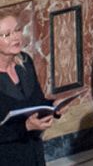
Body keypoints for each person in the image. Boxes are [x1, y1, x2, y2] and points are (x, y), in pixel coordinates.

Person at [0, 12, 54, 166]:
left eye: (17, 30)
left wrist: (53, 107)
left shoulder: (25, 63)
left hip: (33, 152)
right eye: (6, 35)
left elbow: (37, 102)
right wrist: (25, 127)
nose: (16, 37)